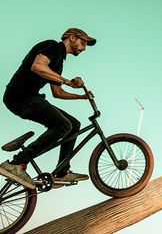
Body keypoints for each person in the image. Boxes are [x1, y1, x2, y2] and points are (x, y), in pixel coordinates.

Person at [0, 28, 96, 190]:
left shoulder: (58, 64)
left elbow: (57, 93)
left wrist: (80, 96)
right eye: (83, 42)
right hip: (19, 97)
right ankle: (17, 163)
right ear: (72, 38)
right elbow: (37, 66)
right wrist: (67, 81)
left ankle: (62, 172)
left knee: (74, 124)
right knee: (63, 125)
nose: (84, 48)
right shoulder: (52, 46)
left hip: (30, 98)